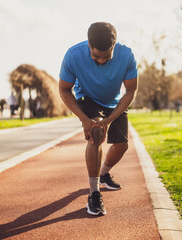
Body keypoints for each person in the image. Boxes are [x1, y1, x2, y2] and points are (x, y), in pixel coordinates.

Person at [59, 22, 138, 216]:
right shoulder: (73, 55)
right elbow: (64, 89)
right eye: (96, 56)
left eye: (106, 57)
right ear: (88, 45)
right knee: (96, 134)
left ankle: (103, 174)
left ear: (114, 46)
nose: (101, 61)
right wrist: (84, 119)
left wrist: (110, 119)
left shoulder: (127, 55)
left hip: (114, 103)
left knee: (122, 146)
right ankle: (94, 193)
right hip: (88, 98)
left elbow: (130, 90)